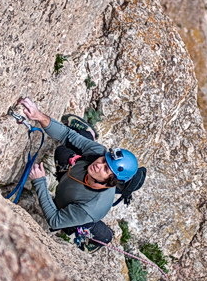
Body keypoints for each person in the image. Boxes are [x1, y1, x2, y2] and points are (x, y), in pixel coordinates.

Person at [18, 97, 138, 243]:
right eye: (104, 160)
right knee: (63, 151)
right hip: (71, 179)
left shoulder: (91, 207)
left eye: (106, 168)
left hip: (73, 207)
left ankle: (99, 237)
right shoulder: (98, 153)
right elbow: (66, 135)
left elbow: (54, 220)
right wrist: (38, 115)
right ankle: (88, 134)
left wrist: (39, 182)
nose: (99, 164)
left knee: (95, 233)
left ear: (111, 181)